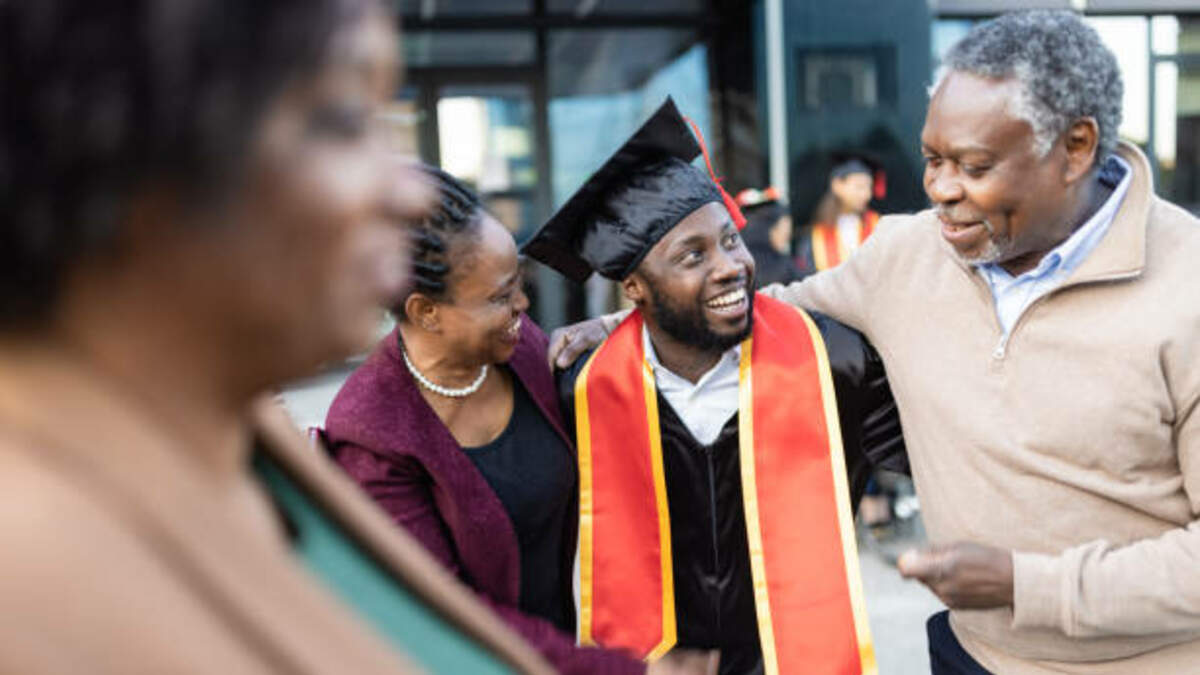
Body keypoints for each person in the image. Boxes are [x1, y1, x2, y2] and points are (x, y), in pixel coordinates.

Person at [551, 11, 1200, 674]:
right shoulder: (904, 255)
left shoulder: (1188, 291)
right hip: (971, 656)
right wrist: (630, 322)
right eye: (933, 159)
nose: (939, 190)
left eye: (973, 166)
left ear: (1077, 148)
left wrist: (1027, 585)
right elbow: (767, 310)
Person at [0, 2, 554, 673]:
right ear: (135, 153)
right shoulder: (36, 582)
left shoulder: (235, 437)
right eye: (343, 121)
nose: (407, 196)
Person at [523, 98, 906, 675]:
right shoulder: (581, 390)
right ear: (635, 288)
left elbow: (949, 458)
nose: (730, 266)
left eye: (730, 240)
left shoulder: (833, 360)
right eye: (692, 255)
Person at [323, 165, 710, 675]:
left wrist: (611, 334)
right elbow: (448, 615)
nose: (523, 306)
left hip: (595, 639)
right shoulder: (371, 433)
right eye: (500, 297)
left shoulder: (518, 346)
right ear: (425, 312)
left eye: (518, 285)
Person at [794, 154, 885, 277]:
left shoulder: (878, 226)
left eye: (869, 187)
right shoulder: (816, 237)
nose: (866, 194)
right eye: (859, 187)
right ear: (837, 185)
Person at [733, 187, 800, 288]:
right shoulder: (783, 268)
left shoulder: (735, 265)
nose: (787, 237)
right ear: (768, 229)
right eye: (784, 231)